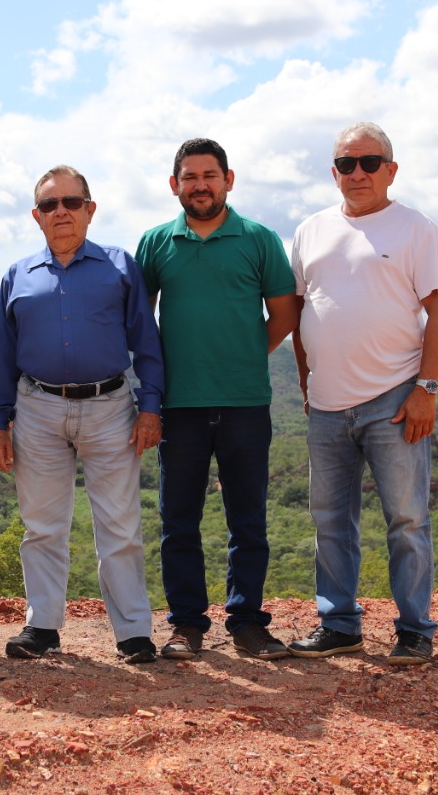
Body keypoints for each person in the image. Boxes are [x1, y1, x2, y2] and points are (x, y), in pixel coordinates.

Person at [286, 122, 438, 665]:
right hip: (327, 405)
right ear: (333, 172)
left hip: (393, 399)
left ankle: (414, 629)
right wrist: (307, 384)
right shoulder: (310, 230)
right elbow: (300, 316)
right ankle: (339, 624)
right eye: (345, 164)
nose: (356, 173)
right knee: (330, 521)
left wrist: (426, 389)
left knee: (406, 519)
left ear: (391, 169)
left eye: (368, 162)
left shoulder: (415, 229)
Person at [0, 165, 165, 664]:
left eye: (70, 202)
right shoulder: (17, 276)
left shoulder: (120, 265)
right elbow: (2, 354)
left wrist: (151, 407)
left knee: (121, 526)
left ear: (90, 209)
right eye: (49, 205)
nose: (60, 211)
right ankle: (41, 626)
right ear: (36, 216)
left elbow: (146, 342)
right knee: (41, 525)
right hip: (36, 408)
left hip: (111, 407)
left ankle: (132, 632)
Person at [136, 138, 298, 661]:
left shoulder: (259, 239)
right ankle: (186, 625)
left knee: (247, 519)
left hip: (245, 401)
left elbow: (285, 314)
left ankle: (247, 621)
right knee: (178, 519)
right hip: (178, 405)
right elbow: (140, 322)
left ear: (229, 179)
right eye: (190, 176)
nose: (200, 185)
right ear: (174, 184)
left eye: (210, 175)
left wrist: (246, 354)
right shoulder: (157, 243)